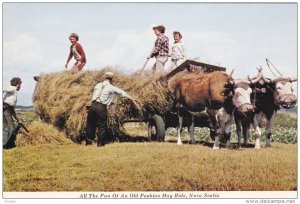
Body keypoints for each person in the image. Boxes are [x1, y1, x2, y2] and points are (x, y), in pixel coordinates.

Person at [85, 72, 142, 147]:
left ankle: (88, 143)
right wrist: (133, 99)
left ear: (104, 77)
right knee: (102, 125)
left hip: (92, 106)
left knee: (90, 124)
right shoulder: (111, 87)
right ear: (111, 80)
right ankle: (100, 144)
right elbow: (122, 93)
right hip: (101, 107)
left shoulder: (97, 85)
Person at [3, 77, 22, 149]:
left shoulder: (13, 91)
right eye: (20, 84)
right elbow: (4, 89)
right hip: (6, 109)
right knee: (11, 128)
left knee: (6, 127)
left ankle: (6, 144)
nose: (20, 86)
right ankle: (6, 145)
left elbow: (11, 106)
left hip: (8, 109)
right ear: (17, 84)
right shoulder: (13, 88)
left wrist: (16, 117)